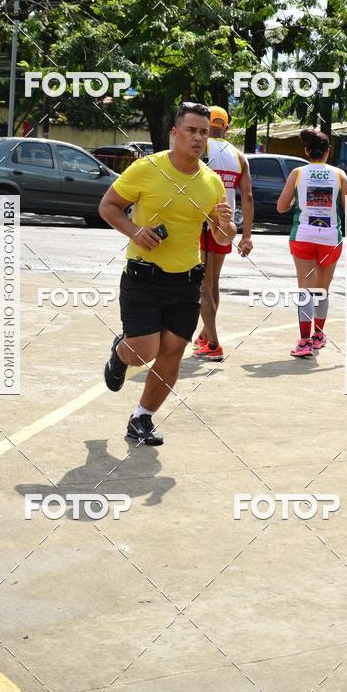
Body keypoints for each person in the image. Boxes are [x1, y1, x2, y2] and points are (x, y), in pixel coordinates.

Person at [98, 102, 236, 445]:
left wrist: (227, 227)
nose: (198, 138)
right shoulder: (146, 168)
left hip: (186, 282)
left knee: (171, 352)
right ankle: (121, 354)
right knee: (144, 350)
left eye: (204, 132)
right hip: (144, 276)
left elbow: (219, 236)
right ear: (175, 133)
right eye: (191, 130)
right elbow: (108, 206)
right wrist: (134, 231)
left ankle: (142, 418)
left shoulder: (212, 182)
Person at [276, 129, 347, 358]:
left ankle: (304, 342)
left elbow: (281, 206)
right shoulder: (339, 175)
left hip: (303, 236)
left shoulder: (297, 173)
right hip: (330, 238)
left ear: (306, 151)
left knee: (305, 291)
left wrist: (296, 203)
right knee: (322, 291)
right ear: (328, 152)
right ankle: (319, 335)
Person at [193, 106, 254, 361]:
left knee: (202, 285)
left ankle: (214, 342)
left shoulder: (202, 146)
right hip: (226, 224)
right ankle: (205, 335)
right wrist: (247, 235)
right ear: (227, 127)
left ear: (208, 125)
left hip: (202, 222)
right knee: (213, 281)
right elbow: (248, 196)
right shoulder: (239, 156)